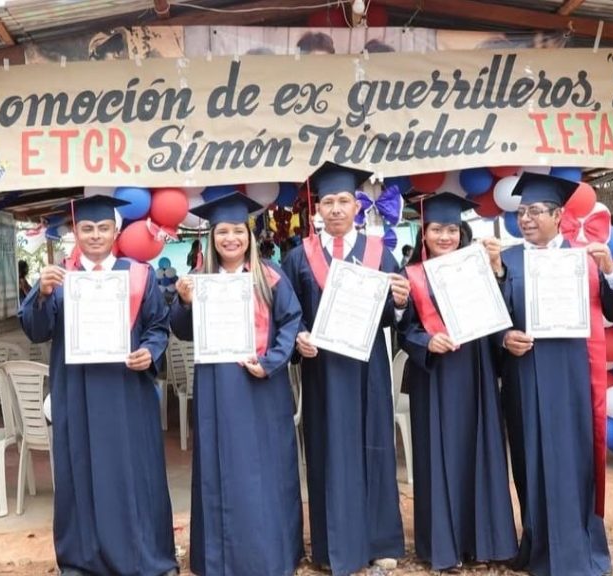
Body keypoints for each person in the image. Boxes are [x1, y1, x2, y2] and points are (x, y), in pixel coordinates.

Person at [20, 196, 178, 576]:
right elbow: (35, 329)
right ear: (76, 231)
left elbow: (158, 327)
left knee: (133, 472)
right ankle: (84, 559)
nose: (95, 235)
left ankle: (144, 556)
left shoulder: (140, 274)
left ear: (116, 231)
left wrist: (149, 350)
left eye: (103, 228)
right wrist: (40, 295)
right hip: (78, 393)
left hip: (128, 393)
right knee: (82, 472)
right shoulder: (58, 279)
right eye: (87, 228)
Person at [498, 173, 613, 576]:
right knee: (529, 457)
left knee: (572, 461)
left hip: (574, 377)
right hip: (525, 374)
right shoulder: (507, 261)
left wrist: (610, 270)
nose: (526, 219)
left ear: (558, 216)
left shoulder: (585, 257)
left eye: (536, 211)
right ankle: (537, 545)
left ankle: (578, 547)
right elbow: (493, 318)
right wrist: (505, 337)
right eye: (521, 212)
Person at [281, 162, 407, 575]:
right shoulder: (299, 256)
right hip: (322, 370)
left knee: (373, 445)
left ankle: (379, 541)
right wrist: (298, 336)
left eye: (344, 201)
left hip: (367, 364)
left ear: (357, 205)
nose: (336, 209)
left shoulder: (379, 252)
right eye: (329, 202)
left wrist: (400, 301)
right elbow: (289, 313)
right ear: (318, 209)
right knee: (328, 449)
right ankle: (331, 545)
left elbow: (389, 314)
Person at [170, 192, 304, 576]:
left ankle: (269, 553)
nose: (231, 238)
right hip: (216, 386)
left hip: (260, 383)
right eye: (223, 232)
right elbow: (180, 331)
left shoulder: (271, 275)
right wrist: (182, 303)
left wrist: (271, 362)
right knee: (220, 465)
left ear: (249, 233)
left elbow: (291, 322)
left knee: (265, 467)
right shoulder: (199, 280)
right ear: (212, 237)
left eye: (238, 231)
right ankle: (218, 557)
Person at [399, 193, 518, 571]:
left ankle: (487, 544)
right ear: (425, 233)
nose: (445, 236)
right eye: (437, 229)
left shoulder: (478, 266)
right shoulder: (411, 274)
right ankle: (443, 549)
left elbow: (503, 311)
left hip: (477, 369)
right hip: (434, 374)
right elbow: (404, 330)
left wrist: (498, 270)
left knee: (480, 450)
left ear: (461, 232)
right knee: (437, 457)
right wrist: (426, 340)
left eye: (452, 229)